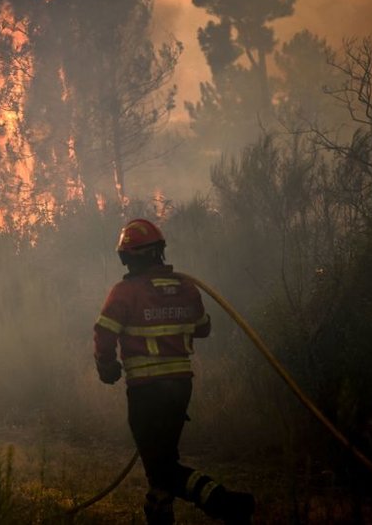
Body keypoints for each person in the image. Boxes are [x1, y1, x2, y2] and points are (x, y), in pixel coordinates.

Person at [93, 219, 255, 525]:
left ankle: (224, 502)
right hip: (180, 388)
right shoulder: (186, 287)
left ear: (127, 257)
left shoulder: (125, 292)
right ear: (160, 253)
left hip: (146, 392)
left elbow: (104, 333)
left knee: (162, 467)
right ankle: (159, 513)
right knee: (162, 459)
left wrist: (107, 367)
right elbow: (203, 328)